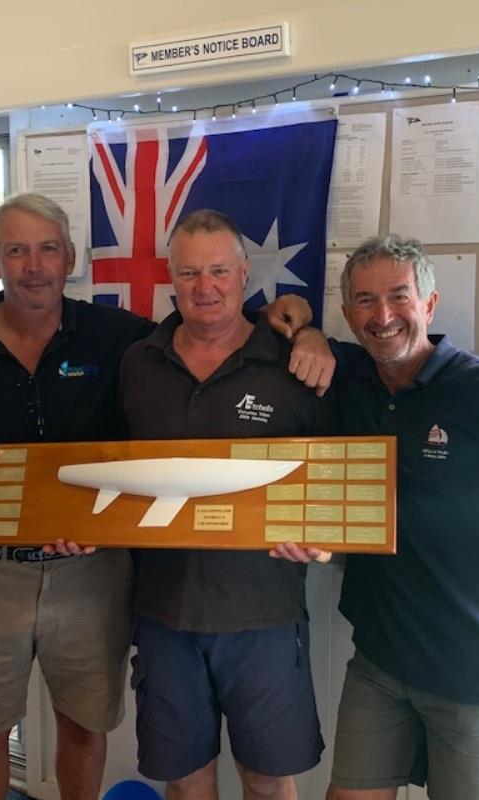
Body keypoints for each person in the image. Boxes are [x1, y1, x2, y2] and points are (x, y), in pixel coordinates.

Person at [0, 193, 155, 800]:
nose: (33, 265)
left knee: (84, 728)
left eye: (46, 249)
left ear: (70, 259)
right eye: (16, 250)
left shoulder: (122, 339)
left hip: (92, 573)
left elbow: (211, 334)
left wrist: (298, 323)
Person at [118, 209, 337, 800]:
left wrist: (322, 536)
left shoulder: (297, 362)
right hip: (163, 613)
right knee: (187, 783)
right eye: (189, 273)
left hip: (263, 615)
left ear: (245, 275)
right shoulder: (139, 361)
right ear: (171, 278)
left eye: (218, 270)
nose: (204, 287)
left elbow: (335, 478)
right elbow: (113, 472)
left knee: (268, 782)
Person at [273, 235, 479, 800]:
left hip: (473, 670)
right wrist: (307, 331)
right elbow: (283, 314)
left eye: (399, 297)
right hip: (379, 657)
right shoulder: (348, 376)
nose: (383, 316)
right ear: (349, 315)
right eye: (366, 302)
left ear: (428, 303)